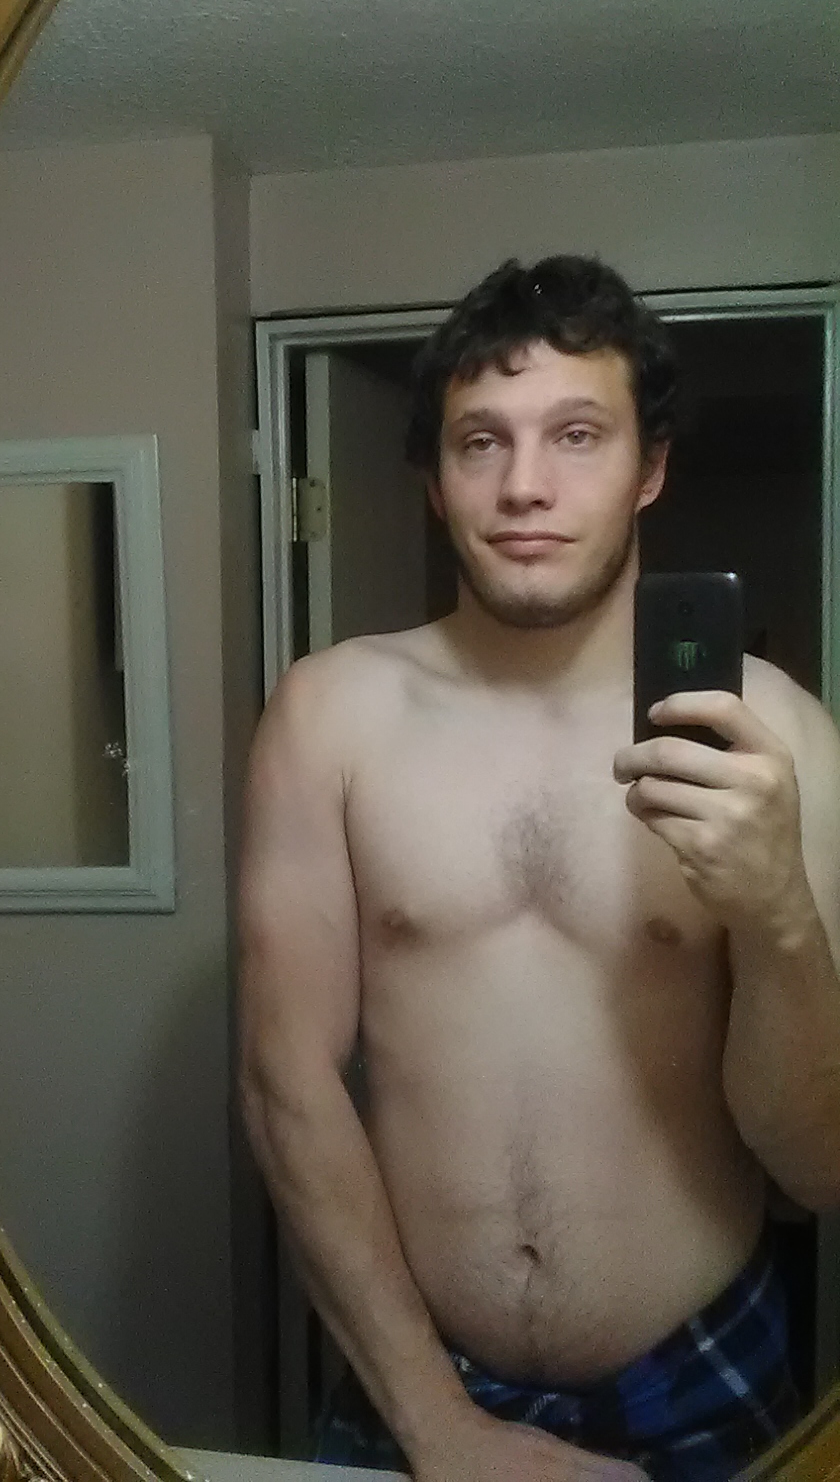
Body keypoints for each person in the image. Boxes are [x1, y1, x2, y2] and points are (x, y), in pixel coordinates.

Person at [236, 256, 840, 1482]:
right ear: (434, 480)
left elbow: (816, 1164)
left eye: (576, 435)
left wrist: (777, 916)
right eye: (481, 441)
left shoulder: (775, 736)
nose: (525, 485)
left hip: (704, 1372)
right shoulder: (331, 715)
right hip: (413, 1376)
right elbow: (284, 1079)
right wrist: (437, 1422)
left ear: (649, 468)